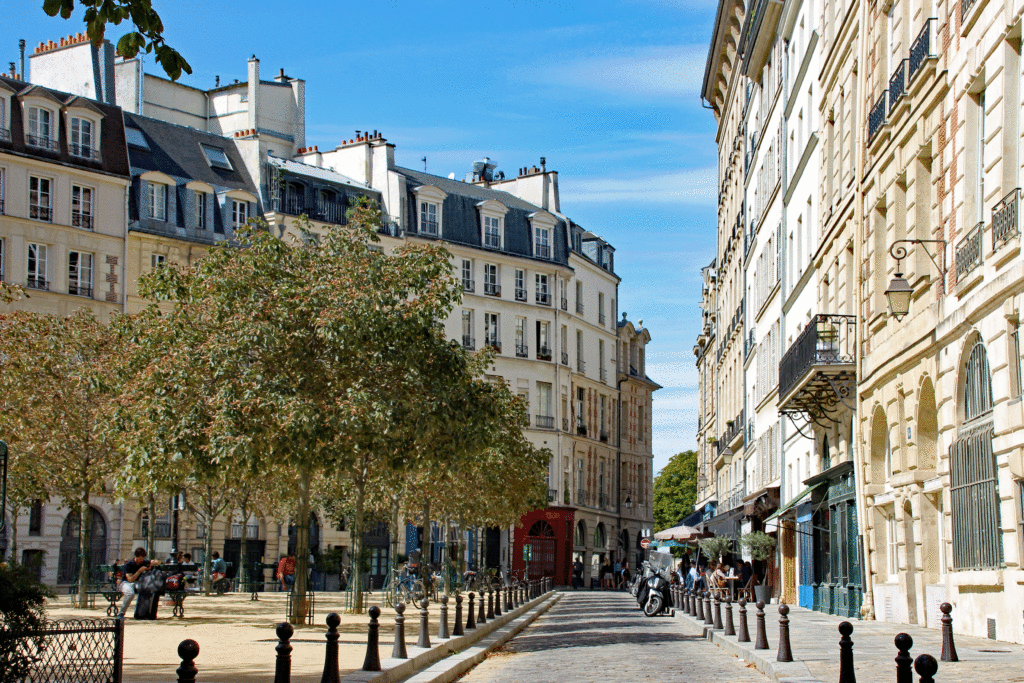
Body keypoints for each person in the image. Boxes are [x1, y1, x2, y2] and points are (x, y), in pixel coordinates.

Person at [119, 547, 160, 618]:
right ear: (136, 556)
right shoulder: (129, 564)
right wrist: (139, 571)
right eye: (140, 558)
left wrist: (151, 564)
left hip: (137, 583)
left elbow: (158, 562)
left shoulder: (144, 562)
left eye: (142, 558)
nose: (141, 560)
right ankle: (121, 613)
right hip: (126, 583)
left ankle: (142, 613)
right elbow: (130, 579)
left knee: (147, 590)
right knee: (130, 594)